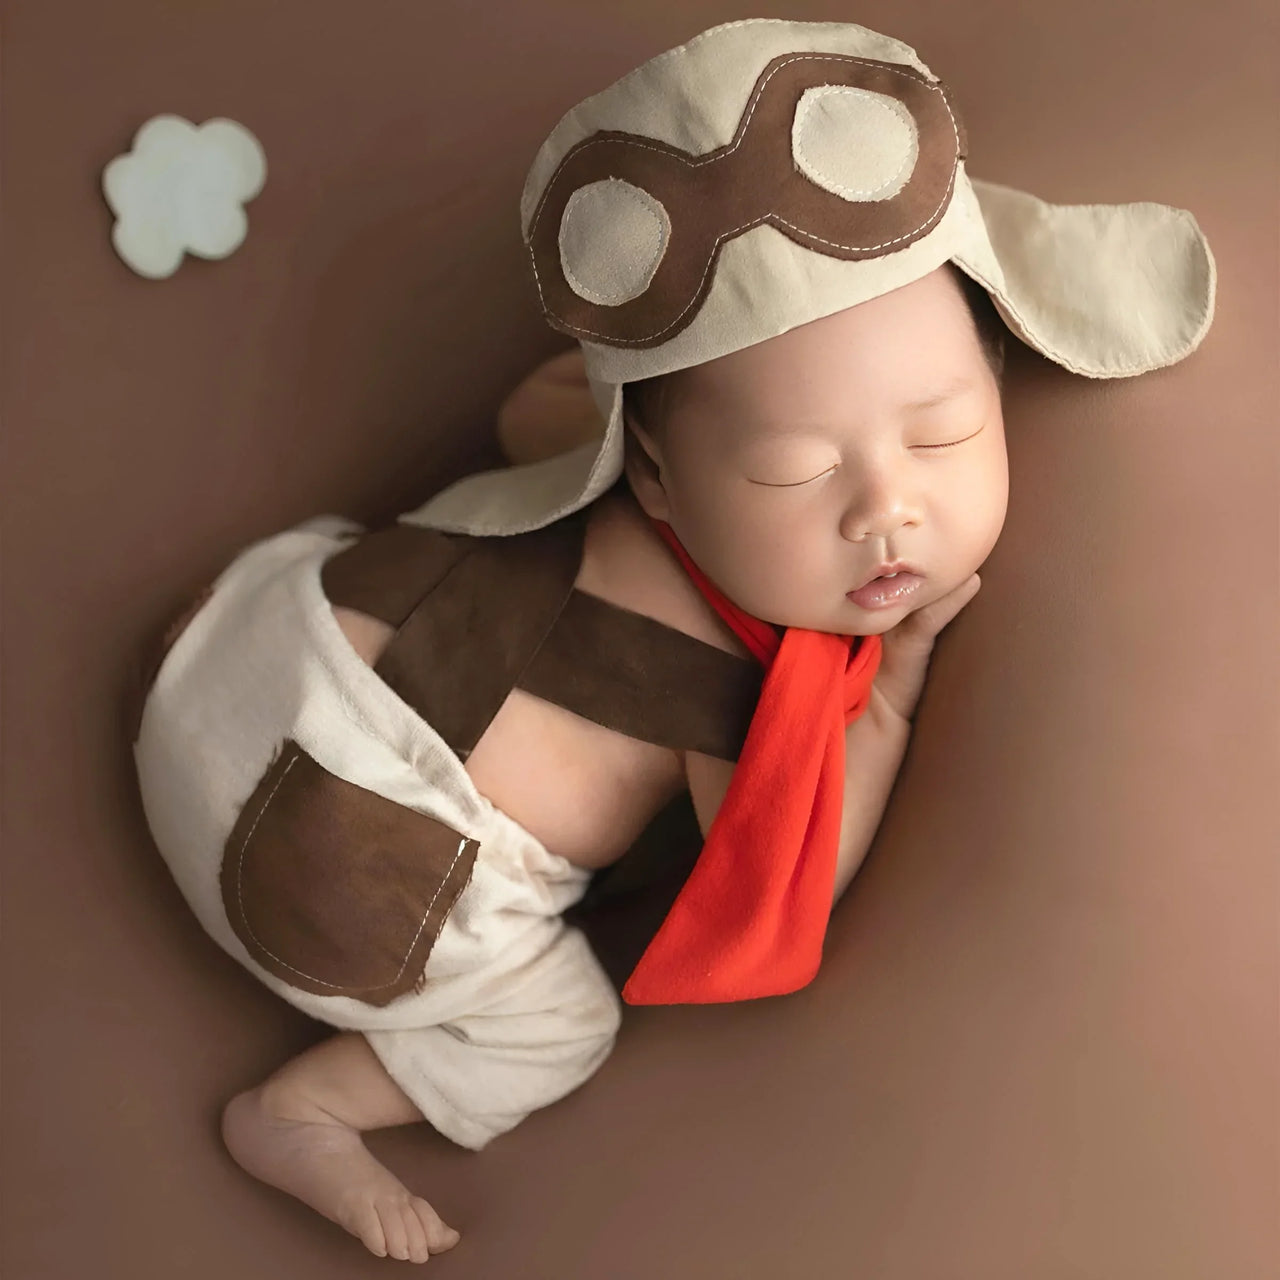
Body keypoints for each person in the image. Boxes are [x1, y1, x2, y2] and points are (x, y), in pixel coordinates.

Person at [131, 19, 1213, 1263]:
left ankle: (229, 644)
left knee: (366, 545)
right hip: (351, 886)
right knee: (561, 1030)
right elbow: (790, 865)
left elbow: (535, 407)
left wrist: (659, 371)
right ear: (650, 476)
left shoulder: (589, 452)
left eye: (937, 433)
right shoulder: (754, 692)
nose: (882, 509)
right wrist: (892, 706)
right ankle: (301, 1104)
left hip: (223, 664)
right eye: (791, 469)